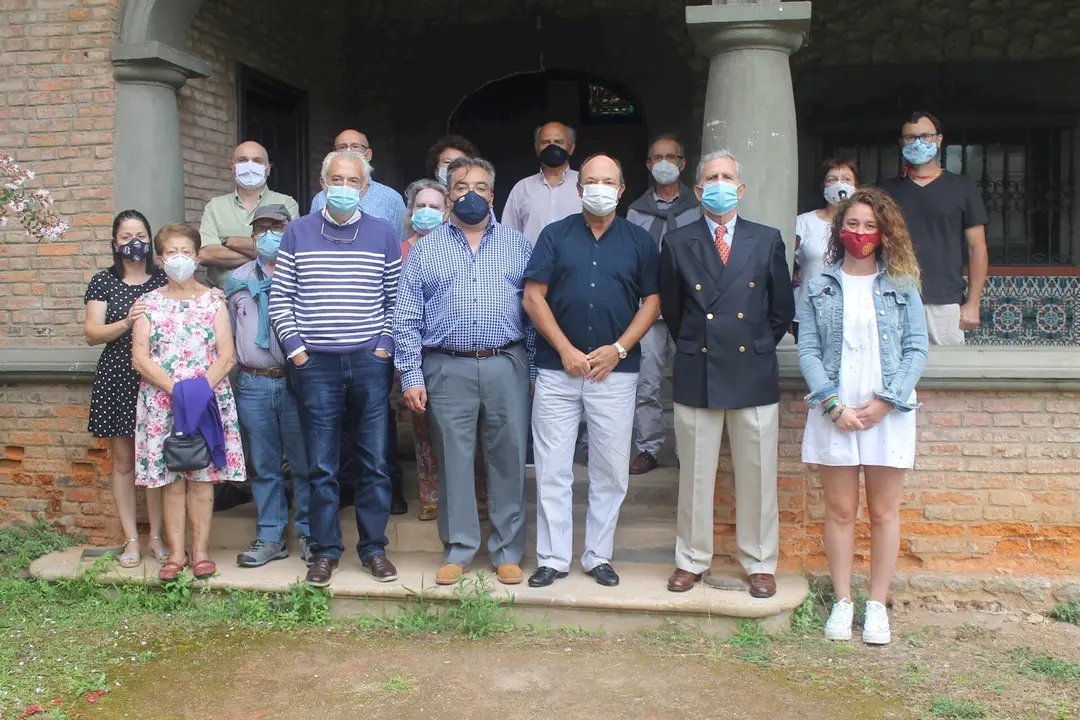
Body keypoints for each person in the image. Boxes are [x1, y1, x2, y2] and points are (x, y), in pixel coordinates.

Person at [660, 150, 795, 599]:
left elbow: (781, 311)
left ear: (741, 188)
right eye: (711, 178)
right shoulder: (678, 241)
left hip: (752, 370)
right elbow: (674, 312)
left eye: (727, 177)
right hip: (698, 367)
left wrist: (755, 347)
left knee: (757, 475)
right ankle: (691, 560)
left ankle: (759, 561)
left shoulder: (767, 238)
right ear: (698, 191)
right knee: (695, 475)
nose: (719, 184)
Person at [523, 153, 661, 589]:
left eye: (609, 181)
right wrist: (563, 349)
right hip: (556, 371)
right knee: (552, 467)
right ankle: (553, 558)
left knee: (610, 469)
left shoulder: (640, 242)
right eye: (591, 180)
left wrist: (619, 349)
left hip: (614, 374)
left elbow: (653, 303)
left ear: (621, 191)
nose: (599, 187)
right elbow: (533, 297)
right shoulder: (553, 235)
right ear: (579, 189)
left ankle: (598, 554)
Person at [798, 187, 929, 644]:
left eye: (870, 225)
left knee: (884, 512)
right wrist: (832, 404)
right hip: (835, 407)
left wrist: (887, 400)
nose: (861, 233)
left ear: (885, 232)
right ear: (840, 229)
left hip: (887, 410)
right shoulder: (818, 285)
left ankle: (876, 605)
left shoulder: (902, 285)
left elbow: (916, 348)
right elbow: (809, 349)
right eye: (852, 224)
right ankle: (842, 602)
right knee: (839, 511)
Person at [394, 158, 533, 587]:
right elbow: (405, 316)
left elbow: (532, 312)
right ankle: (458, 549)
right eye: (459, 187)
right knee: (452, 459)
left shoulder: (519, 245)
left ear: (493, 194)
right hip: (446, 365)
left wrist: (531, 371)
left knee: (508, 457)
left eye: (479, 186)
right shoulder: (425, 249)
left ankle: (507, 551)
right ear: (448, 193)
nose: (469, 194)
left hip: (504, 362)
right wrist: (411, 375)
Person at [269, 150, 401, 588]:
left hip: (368, 361)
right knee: (321, 466)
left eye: (353, 181)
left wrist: (383, 348)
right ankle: (325, 551)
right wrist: (298, 352)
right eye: (337, 179)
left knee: (374, 463)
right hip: (316, 365)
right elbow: (281, 298)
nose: (345, 187)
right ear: (323, 182)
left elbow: (395, 299)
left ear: (365, 188)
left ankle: (373, 548)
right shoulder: (297, 233)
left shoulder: (383, 234)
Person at [132, 222, 246, 582]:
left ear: (197, 257)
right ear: (160, 259)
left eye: (185, 251)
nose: (178, 258)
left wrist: (195, 393)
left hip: (206, 401)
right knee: (172, 479)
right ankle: (175, 554)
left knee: (201, 478)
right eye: (170, 252)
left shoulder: (214, 300)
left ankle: (200, 553)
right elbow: (140, 357)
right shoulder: (147, 304)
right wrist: (177, 391)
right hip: (162, 401)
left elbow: (227, 355)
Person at [393, 178, 489, 523]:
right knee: (425, 427)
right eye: (421, 206)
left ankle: (478, 491)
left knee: (472, 430)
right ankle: (431, 493)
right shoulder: (401, 251)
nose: (427, 212)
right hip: (414, 352)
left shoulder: (469, 244)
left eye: (435, 206)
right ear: (411, 211)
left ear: (447, 210)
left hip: (457, 354)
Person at [225, 204, 312, 567]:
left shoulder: (306, 271)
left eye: (275, 227)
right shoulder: (237, 279)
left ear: (290, 230)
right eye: (260, 229)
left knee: (307, 462)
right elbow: (228, 330)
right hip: (254, 382)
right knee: (264, 464)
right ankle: (271, 535)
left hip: (297, 381)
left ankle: (311, 532)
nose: (268, 235)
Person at [84, 210, 169, 568]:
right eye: (125, 236)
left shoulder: (163, 278)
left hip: (156, 378)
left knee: (157, 459)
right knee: (123, 462)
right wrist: (128, 320)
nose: (134, 242)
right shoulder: (103, 281)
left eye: (140, 235)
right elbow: (92, 333)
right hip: (118, 378)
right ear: (114, 243)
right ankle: (131, 538)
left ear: (150, 240)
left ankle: (158, 537)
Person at [625, 134, 701, 475]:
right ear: (648, 164)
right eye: (658, 157)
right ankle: (648, 447)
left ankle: (689, 449)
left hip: (690, 308)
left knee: (691, 380)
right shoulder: (636, 212)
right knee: (647, 382)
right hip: (648, 310)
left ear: (683, 164)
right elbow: (629, 260)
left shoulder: (699, 208)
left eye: (672, 156)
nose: (665, 163)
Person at [879, 111, 988, 345]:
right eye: (910, 137)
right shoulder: (884, 191)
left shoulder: (962, 188)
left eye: (926, 136)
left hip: (945, 303)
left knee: (946, 377)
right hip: (893, 299)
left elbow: (977, 247)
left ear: (939, 140)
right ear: (901, 142)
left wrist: (973, 303)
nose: (918, 142)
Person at [197, 141, 300, 289]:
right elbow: (206, 255)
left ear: (268, 169)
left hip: (272, 295)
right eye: (242, 160)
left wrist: (228, 241)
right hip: (223, 297)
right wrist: (265, 253)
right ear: (233, 168)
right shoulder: (215, 206)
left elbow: (286, 252)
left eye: (257, 161)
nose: (250, 166)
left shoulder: (287, 204)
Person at [793, 159, 860, 339]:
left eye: (846, 179)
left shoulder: (865, 225)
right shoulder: (803, 223)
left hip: (854, 312)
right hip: (809, 312)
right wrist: (793, 270)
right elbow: (782, 259)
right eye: (832, 179)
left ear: (857, 186)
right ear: (823, 186)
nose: (840, 184)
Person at [308, 129, 407, 240]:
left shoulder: (391, 198)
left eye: (355, 146)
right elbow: (312, 237)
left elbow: (401, 242)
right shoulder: (320, 198)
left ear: (368, 155)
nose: (348, 151)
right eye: (342, 147)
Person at [502, 121, 582, 245]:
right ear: (537, 148)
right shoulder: (522, 188)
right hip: (533, 263)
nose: (552, 147)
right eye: (545, 142)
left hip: (577, 263)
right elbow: (508, 236)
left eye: (559, 142)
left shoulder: (585, 184)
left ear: (571, 148)